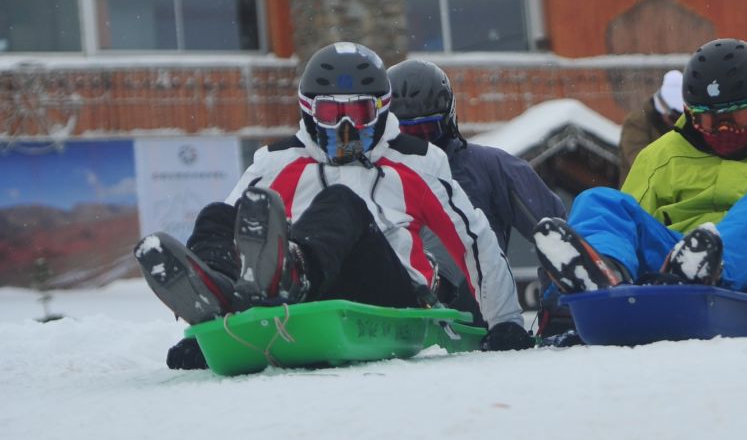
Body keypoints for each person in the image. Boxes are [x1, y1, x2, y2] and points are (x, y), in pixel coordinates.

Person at [135, 42, 530, 367]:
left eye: (359, 113)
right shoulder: (277, 162)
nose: (346, 128)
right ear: (309, 112)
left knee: (342, 203)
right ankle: (215, 305)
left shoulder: (418, 162)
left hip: (389, 293)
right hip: (306, 297)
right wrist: (208, 342)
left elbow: (472, 238)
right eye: (330, 114)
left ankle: (294, 271)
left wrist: (504, 322)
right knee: (218, 216)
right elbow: (237, 232)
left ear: (381, 110)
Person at [534, 39, 747, 301]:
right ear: (690, 115)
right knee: (598, 200)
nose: (723, 129)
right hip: (675, 262)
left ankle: (710, 269)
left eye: (737, 117)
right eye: (708, 120)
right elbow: (631, 223)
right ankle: (602, 274)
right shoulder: (662, 156)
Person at [387, 58, 560, 257]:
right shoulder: (373, 176)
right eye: (404, 133)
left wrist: (555, 286)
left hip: (478, 284)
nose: (417, 145)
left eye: (427, 131)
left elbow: (558, 233)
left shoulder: (490, 167)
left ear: (448, 120)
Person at [618, 69, 684, 180]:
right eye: (674, 118)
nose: (678, 123)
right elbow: (640, 162)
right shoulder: (636, 123)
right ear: (662, 109)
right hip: (640, 193)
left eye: (682, 119)